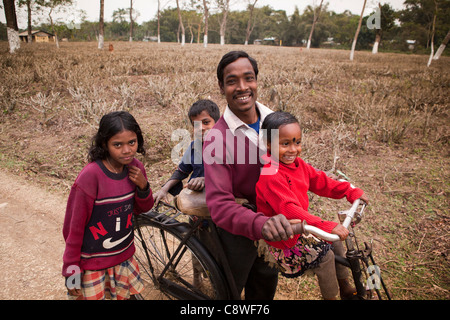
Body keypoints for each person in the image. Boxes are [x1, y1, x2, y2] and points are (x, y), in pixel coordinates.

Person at [203, 51, 296, 300]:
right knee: (230, 290)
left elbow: (292, 167)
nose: (242, 87)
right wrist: (261, 223)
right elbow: (221, 206)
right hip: (238, 230)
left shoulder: (275, 122)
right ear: (221, 87)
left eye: (249, 78)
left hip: (274, 222)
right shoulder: (217, 139)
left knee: (265, 286)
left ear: (257, 81)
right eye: (232, 81)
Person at [255, 111, 369, 300]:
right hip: (283, 238)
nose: (293, 149)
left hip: (300, 226)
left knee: (337, 242)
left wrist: (350, 191)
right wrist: (324, 224)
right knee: (326, 258)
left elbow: (321, 181)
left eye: (297, 142)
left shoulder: (298, 165)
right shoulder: (270, 175)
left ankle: (345, 287)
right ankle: (331, 298)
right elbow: (290, 209)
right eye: (285, 144)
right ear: (268, 144)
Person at [62, 111, 154, 300]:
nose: (127, 150)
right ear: (104, 144)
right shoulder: (90, 177)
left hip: (123, 259)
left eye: (132, 142)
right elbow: (73, 229)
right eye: (117, 145)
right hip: (92, 265)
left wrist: (143, 187)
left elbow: (141, 209)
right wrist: (71, 272)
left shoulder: (136, 169)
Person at [153, 99, 220, 204]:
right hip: (196, 202)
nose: (201, 128)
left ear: (218, 123)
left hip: (219, 201)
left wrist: (206, 180)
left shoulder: (227, 146)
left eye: (206, 122)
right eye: (196, 124)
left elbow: (233, 176)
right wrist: (164, 189)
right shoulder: (195, 146)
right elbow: (181, 171)